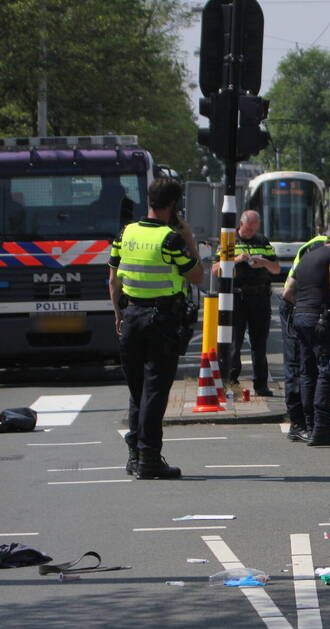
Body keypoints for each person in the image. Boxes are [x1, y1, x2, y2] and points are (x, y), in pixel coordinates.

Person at [108, 177, 203, 480]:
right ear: (174, 204)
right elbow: (197, 276)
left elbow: (113, 280)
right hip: (161, 320)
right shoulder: (170, 239)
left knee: (137, 390)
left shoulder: (125, 233)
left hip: (131, 316)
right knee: (155, 391)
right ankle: (149, 457)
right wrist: (189, 238)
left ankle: (135, 456)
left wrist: (119, 314)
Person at [283, 228, 330, 447]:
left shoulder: (307, 256)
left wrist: (305, 307)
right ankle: (323, 427)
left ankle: (312, 425)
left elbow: (288, 292)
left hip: (300, 319)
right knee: (328, 371)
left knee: (308, 372)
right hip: (321, 321)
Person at [213, 210, 279, 396]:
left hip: (260, 298)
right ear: (241, 224)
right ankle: (231, 382)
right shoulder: (229, 240)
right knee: (235, 342)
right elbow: (215, 269)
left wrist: (264, 263)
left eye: (254, 228)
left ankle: (261, 385)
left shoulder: (263, 241)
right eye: (248, 228)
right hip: (237, 298)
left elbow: (276, 269)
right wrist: (235, 260)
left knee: (260, 344)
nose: (251, 232)